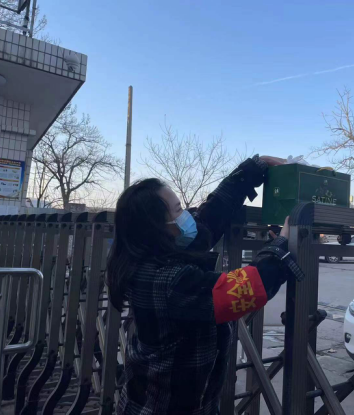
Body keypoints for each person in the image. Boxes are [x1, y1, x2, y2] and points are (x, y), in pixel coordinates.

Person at [107, 155, 293, 415]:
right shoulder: (164, 280)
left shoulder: (158, 250)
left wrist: (252, 170)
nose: (187, 216)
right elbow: (241, 290)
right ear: (158, 228)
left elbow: (209, 218)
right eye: (178, 211)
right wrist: (281, 246)